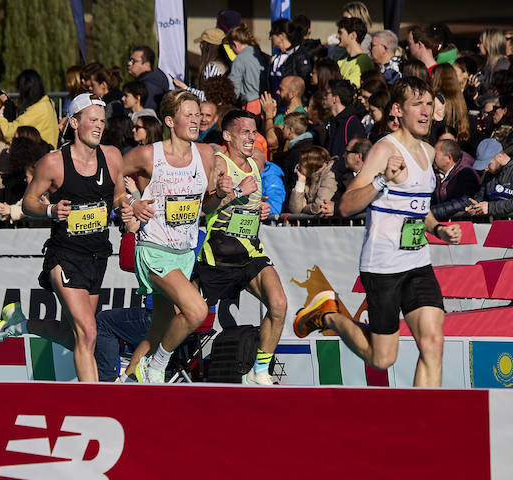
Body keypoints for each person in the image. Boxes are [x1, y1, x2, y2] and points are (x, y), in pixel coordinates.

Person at [292, 76, 463, 389]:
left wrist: (437, 227)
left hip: (418, 265)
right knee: (382, 358)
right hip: (383, 266)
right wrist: (382, 181)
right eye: (417, 105)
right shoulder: (384, 150)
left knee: (433, 343)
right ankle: (329, 314)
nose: (426, 112)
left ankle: (423, 428)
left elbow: (418, 208)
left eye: (428, 104)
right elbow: (346, 205)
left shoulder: (427, 152)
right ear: (398, 110)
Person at [0, 97, 124, 383]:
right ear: (74, 123)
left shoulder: (112, 156)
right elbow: (27, 202)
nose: (99, 126)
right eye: (93, 119)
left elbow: (117, 195)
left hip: (97, 256)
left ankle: (21, 324)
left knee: (73, 334)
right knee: (89, 333)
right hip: (64, 255)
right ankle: (93, 407)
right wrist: (50, 210)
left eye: (102, 121)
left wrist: (127, 205)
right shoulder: (53, 162)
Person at [116, 90, 222, 383]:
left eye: (198, 114)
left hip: (184, 253)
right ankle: (158, 366)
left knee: (158, 330)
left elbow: (208, 206)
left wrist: (223, 195)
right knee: (196, 310)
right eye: (188, 114)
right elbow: (113, 173)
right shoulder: (149, 154)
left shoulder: (206, 154)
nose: (195, 120)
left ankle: (125, 383)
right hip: (154, 249)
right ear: (169, 120)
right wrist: (129, 203)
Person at [193, 109, 287, 385]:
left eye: (254, 131)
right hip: (218, 254)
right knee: (186, 316)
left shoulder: (257, 164)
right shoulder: (219, 164)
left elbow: (249, 206)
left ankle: (259, 371)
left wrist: (261, 209)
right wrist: (232, 193)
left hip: (249, 253)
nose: (251, 137)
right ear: (227, 135)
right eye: (244, 131)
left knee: (279, 304)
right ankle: (154, 362)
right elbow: (204, 209)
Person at [126, 45, 170, 111]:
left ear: (147, 64)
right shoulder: (151, 80)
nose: (129, 63)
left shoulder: (151, 86)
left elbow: (147, 114)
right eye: (130, 60)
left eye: (134, 61)